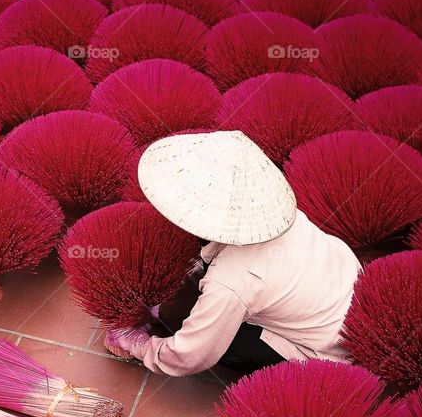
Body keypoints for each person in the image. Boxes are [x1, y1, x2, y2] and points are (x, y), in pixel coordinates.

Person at [105, 130, 361, 376]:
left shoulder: (232, 280)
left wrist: (139, 345)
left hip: (328, 350)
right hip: (341, 283)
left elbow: (188, 356)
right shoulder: (275, 216)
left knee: (219, 341)